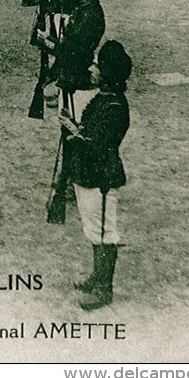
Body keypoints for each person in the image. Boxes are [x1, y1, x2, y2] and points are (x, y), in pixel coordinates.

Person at [59, 40, 132, 310]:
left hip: (100, 178)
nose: (93, 69)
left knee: (104, 231)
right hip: (89, 175)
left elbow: (98, 144)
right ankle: (97, 276)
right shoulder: (106, 99)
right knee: (93, 229)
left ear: (108, 74)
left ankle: (104, 288)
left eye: (98, 67)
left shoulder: (113, 106)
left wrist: (77, 136)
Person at [38, 0, 108, 124]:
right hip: (72, 71)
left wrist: (47, 41)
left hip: (77, 74)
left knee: (71, 118)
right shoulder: (85, 9)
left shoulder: (89, 16)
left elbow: (71, 50)